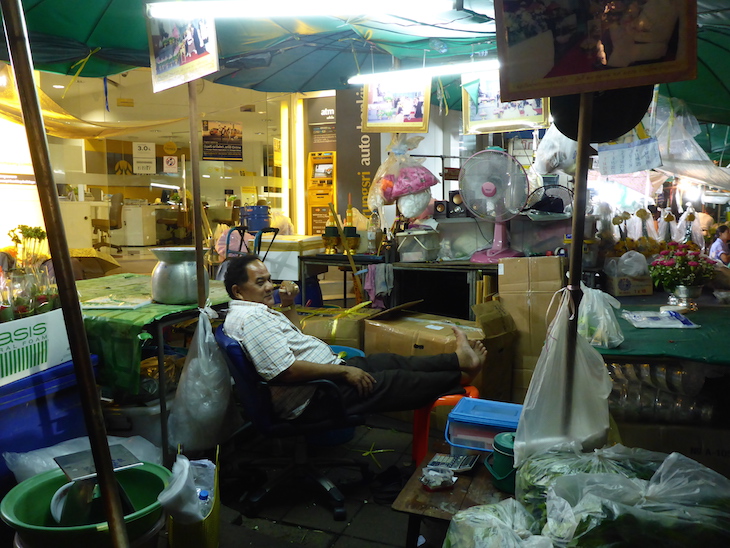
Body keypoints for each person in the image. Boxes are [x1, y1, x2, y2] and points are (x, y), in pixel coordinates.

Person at [222, 255, 487, 420]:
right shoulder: (253, 319)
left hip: (327, 375)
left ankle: (457, 359)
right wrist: (344, 374)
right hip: (318, 393)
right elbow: (285, 372)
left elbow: (296, 338)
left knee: (391, 361)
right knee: (396, 380)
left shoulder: (253, 313)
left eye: (269, 279)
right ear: (238, 291)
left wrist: (289, 304)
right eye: (260, 283)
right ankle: (462, 378)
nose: (269, 286)